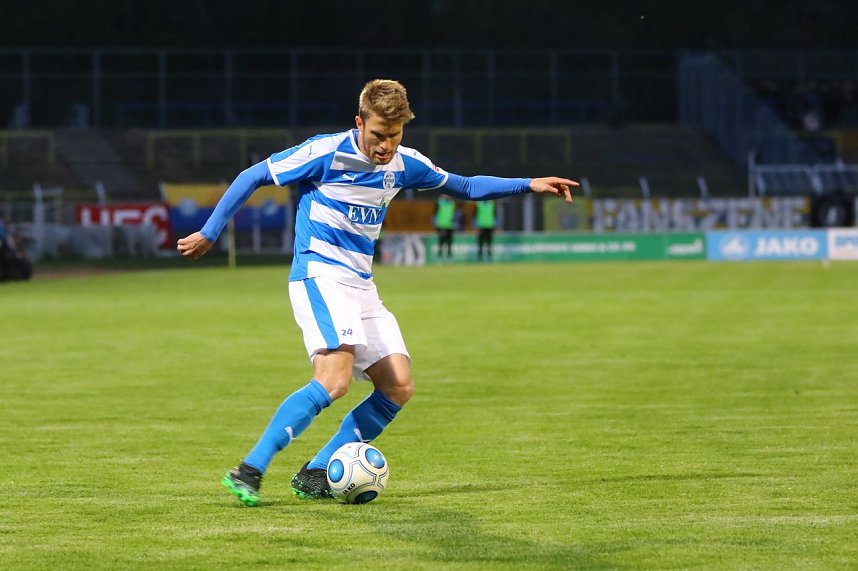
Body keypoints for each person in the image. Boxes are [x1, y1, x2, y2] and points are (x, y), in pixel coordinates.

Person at [177, 79, 577, 507]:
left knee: (398, 386)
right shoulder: (325, 152)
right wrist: (210, 231)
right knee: (334, 382)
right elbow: (254, 175)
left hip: (361, 285)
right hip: (320, 274)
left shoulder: (406, 164)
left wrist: (529, 183)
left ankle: (315, 470)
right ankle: (249, 469)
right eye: (378, 135)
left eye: (394, 135)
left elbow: (464, 185)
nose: (386, 146)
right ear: (359, 122)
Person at [433, 194, 457, 259]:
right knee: (441, 240)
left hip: (450, 225)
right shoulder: (439, 202)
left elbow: (453, 213)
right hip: (441, 224)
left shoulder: (452, 203)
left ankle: (449, 254)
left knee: (449, 240)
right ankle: (440, 254)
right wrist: (435, 222)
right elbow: (435, 212)